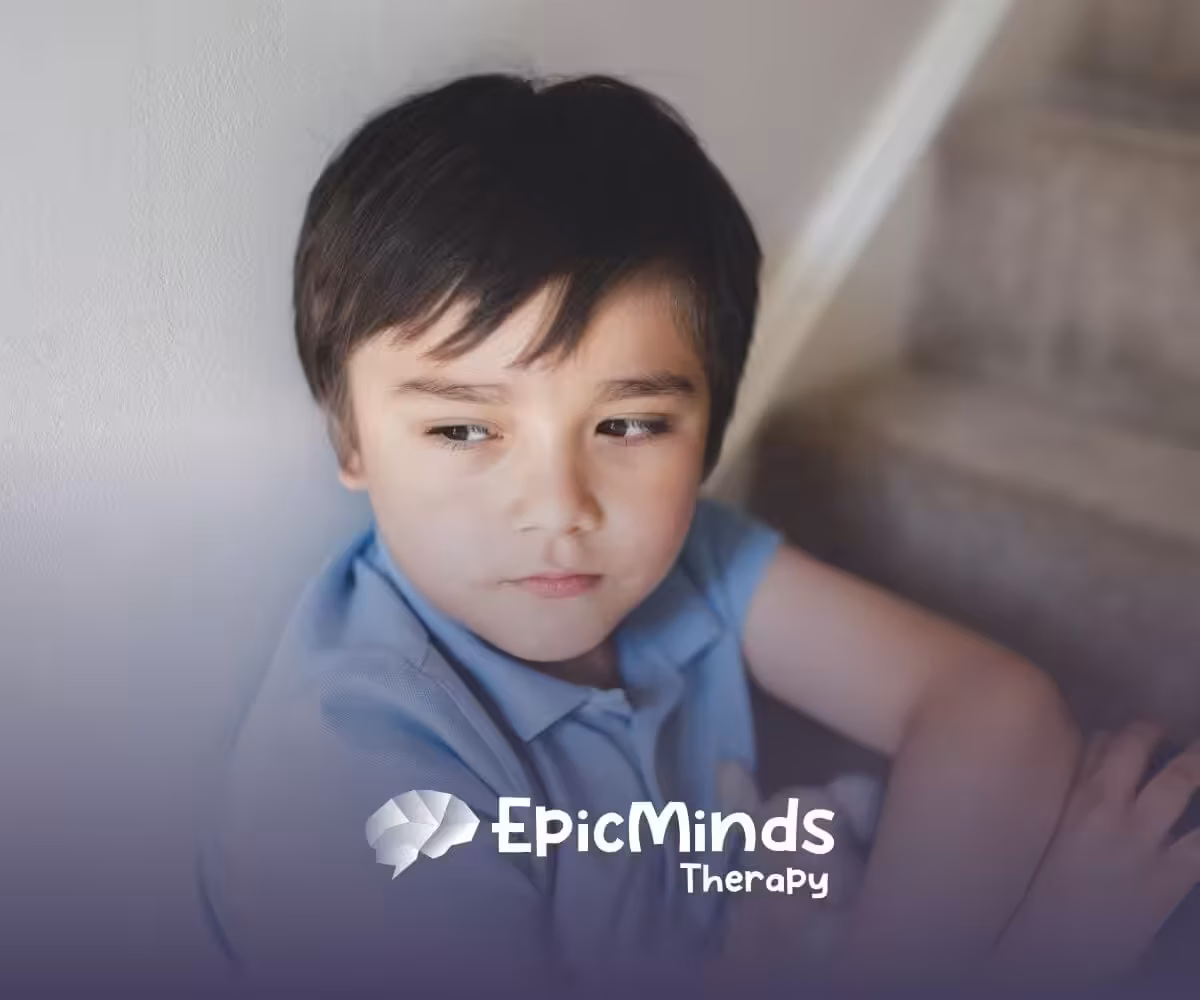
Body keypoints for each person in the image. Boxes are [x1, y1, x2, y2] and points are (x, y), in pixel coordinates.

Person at [195, 72, 1200, 999]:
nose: (559, 507)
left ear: (709, 430)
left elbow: (993, 708)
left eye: (627, 425)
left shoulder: (683, 560)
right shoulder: (351, 783)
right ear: (351, 438)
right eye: (464, 428)